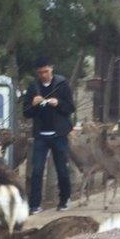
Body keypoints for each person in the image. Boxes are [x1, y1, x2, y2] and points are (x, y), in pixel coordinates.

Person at [23, 55, 74, 214]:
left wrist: (58, 103)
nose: (44, 75)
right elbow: (26, 113)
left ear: (51, 68)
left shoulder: (62, 84)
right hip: (41, 135)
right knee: (37, 170)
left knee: (62, 170)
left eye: (46, 71)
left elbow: (70, 108)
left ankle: (64, 199)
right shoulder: (33, 87)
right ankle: (34, 205)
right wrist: (33, 104)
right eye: (40, 73)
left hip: (59, 134)